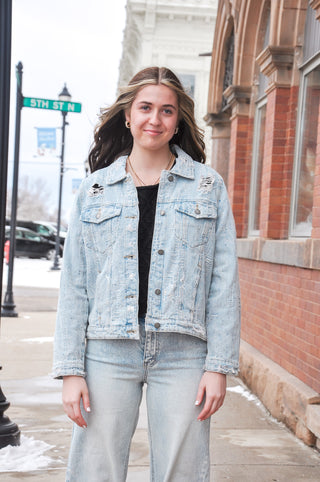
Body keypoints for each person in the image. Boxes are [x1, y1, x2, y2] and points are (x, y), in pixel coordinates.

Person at [53, 66, 241, 482]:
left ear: (178, 121)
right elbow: (75, 285)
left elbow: (223, 282)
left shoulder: (208, 187)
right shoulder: (96, 189)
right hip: (106, 350)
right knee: (94, 470)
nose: (154, 119)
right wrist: (71, 370)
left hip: (184, 354)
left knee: (184, 471)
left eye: (167, 110)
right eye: (145, 107)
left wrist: (218, 366)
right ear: (127, 114)